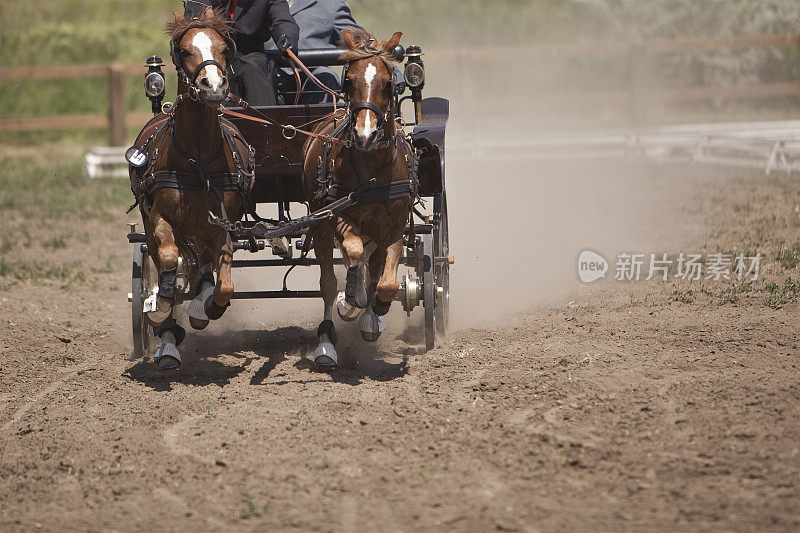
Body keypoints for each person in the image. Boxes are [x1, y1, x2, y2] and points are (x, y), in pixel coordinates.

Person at [184, 0, 300, 105]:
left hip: (250, 53)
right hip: (212, 55)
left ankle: (265, 125)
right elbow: (195, 18)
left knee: (254, 70)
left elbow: (282, 20)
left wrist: (286, 38)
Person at [264, 0, 362, 104]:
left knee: (327, 76)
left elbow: (356, 40)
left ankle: (323, 119)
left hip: (314, 80)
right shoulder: (254, 3)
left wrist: (373, 48)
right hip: (268, 76)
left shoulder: (332, 3)